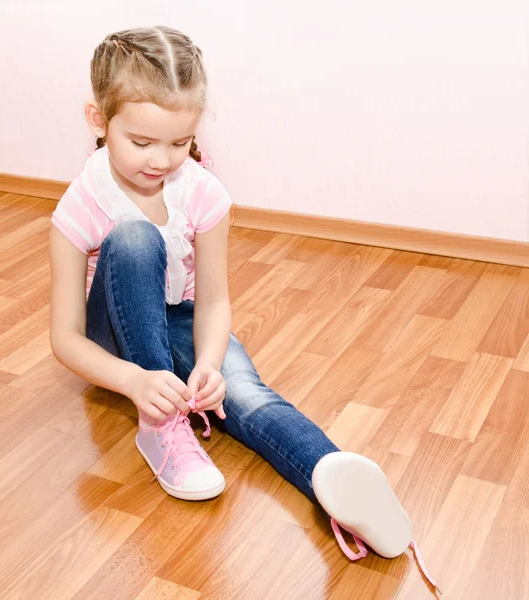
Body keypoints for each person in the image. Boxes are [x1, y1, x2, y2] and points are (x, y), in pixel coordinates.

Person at [49, 26, 439, 592]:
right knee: (135, 239)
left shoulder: (203, 192)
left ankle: (333, 479)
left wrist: (208, 361)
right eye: (141, 142)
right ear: (96, 119)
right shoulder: (79, 205)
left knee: (246, 394)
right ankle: (161, 425)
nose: (162, 159)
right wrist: (136, 381)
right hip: (114, 337)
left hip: (180, 320)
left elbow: (212, 300)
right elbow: (66, 338)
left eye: (180, 143)